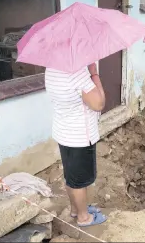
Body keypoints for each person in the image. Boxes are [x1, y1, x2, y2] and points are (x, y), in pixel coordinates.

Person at [45, 63, 107, 227]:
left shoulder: (51, 68)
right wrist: (94, 74)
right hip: (79, 136)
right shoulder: (77, 73)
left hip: (63, 132)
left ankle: (75, 209)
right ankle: (83, 217)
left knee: (71, 176)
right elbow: (98, 103)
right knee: (79, 181)